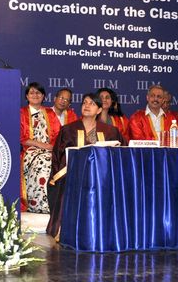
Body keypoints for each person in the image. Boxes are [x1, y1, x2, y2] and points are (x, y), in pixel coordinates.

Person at [46, 93, 126, 239]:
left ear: (100, 110)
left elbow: (121, 154)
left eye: (92, 103)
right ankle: (65, 229)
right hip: (73, 175)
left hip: (102, 177)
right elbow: (57, 156)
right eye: (84, 103)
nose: (87, 106)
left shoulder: (111, 131)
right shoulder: (68, 130)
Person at [20, 81, 61, 213]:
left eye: (38, 92)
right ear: (26, 96)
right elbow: (20, 138)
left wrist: (51, 148)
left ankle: (49, 204)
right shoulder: (21, 113)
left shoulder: (50, 113)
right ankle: (36, 204)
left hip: (50, 150)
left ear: (43, 96)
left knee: (53, 160)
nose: (35, 95)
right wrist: (41, 145)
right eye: (31, 92)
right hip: (29, 151)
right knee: (43, 162)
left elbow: (58, 134)